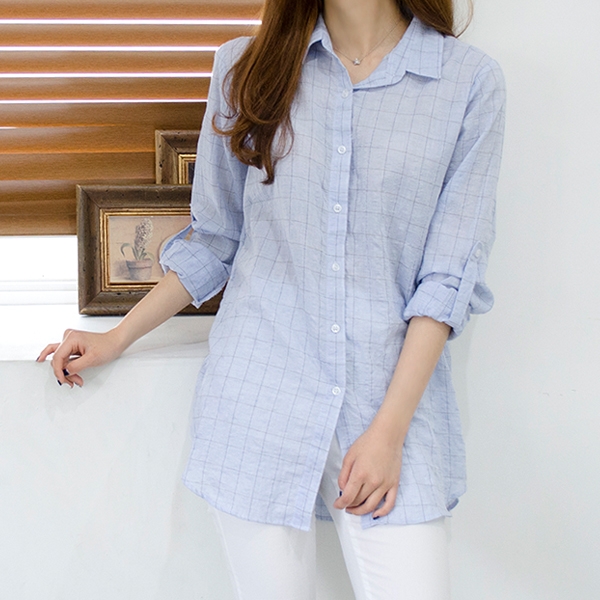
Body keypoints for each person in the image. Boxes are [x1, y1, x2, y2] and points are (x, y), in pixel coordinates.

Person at [38, 0, 506, 597]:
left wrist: (388, 432)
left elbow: (447, 279)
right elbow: (216, 238)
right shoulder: (246, 69)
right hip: (260, 396)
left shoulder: (467, 82)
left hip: (389, 403)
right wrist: (116, 337)